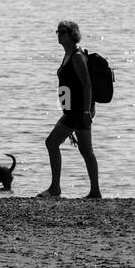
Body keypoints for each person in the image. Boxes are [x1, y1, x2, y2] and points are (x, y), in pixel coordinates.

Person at [38, 20, 100, 198]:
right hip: (73, 111)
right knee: (86, 151)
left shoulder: (77, 56)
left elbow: (87, 85)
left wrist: (86, 112)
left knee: (51, 142)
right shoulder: (68, 55)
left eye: (63, 32)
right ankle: (95, 192)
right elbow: (68, 86)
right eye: (57, 31)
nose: (59, 34)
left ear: (72, 34)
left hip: (79, 111)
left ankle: (55, 188)